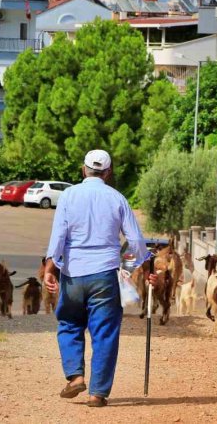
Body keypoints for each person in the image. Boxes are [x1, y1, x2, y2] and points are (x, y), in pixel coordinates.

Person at [42, 149, 155, 408]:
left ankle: (76, 376)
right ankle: (97, 394)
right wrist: (142, 266)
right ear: (108, 173)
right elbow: (136, 241)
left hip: (73, 274)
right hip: (105, 274)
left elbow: (58, 236)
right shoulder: (117, 198)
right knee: (104, 332)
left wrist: (50, 268)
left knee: (69, 324)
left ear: (84, 170)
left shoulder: (69, 195)